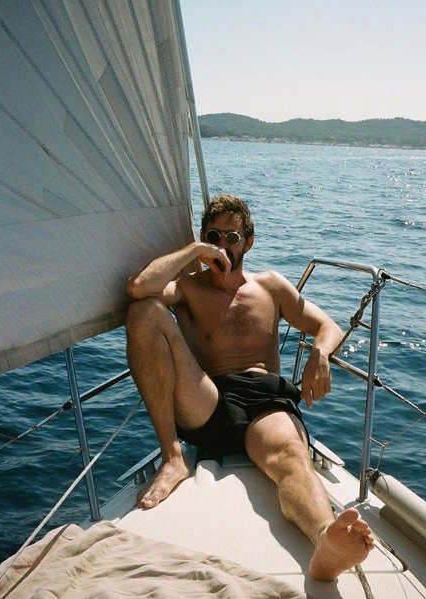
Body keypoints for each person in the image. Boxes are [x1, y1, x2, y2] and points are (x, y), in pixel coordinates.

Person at [125, 193, 374, 581]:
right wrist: (194, 251)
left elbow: (328, 326)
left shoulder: (270, 286)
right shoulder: (187, 288)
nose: (223, 245)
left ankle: (325, 539)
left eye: (232, 237)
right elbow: (140, 289)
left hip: (265, 402)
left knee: (290, 454)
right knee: (143, 311)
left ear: (249, 242)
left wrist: (320, 353)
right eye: (214, 236)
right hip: (209, 399)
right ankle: (173, 457)